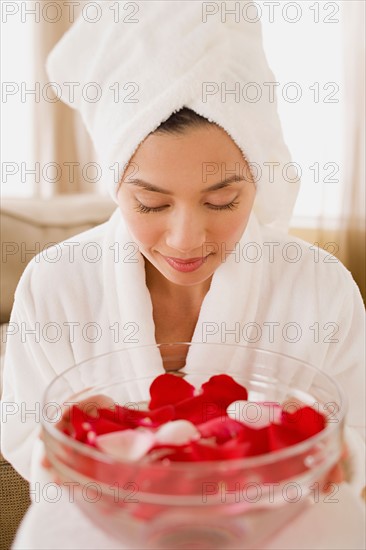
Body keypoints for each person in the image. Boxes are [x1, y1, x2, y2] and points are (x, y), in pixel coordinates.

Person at [1, 0, 364, 543]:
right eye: (150, 204)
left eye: (222, 201)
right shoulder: (58, 283)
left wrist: (328, 446)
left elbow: (356, 431)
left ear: (260, 177)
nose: (185, 239)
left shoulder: (319, 287)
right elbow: (25, 431)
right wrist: (68, 443)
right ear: (114, 185)